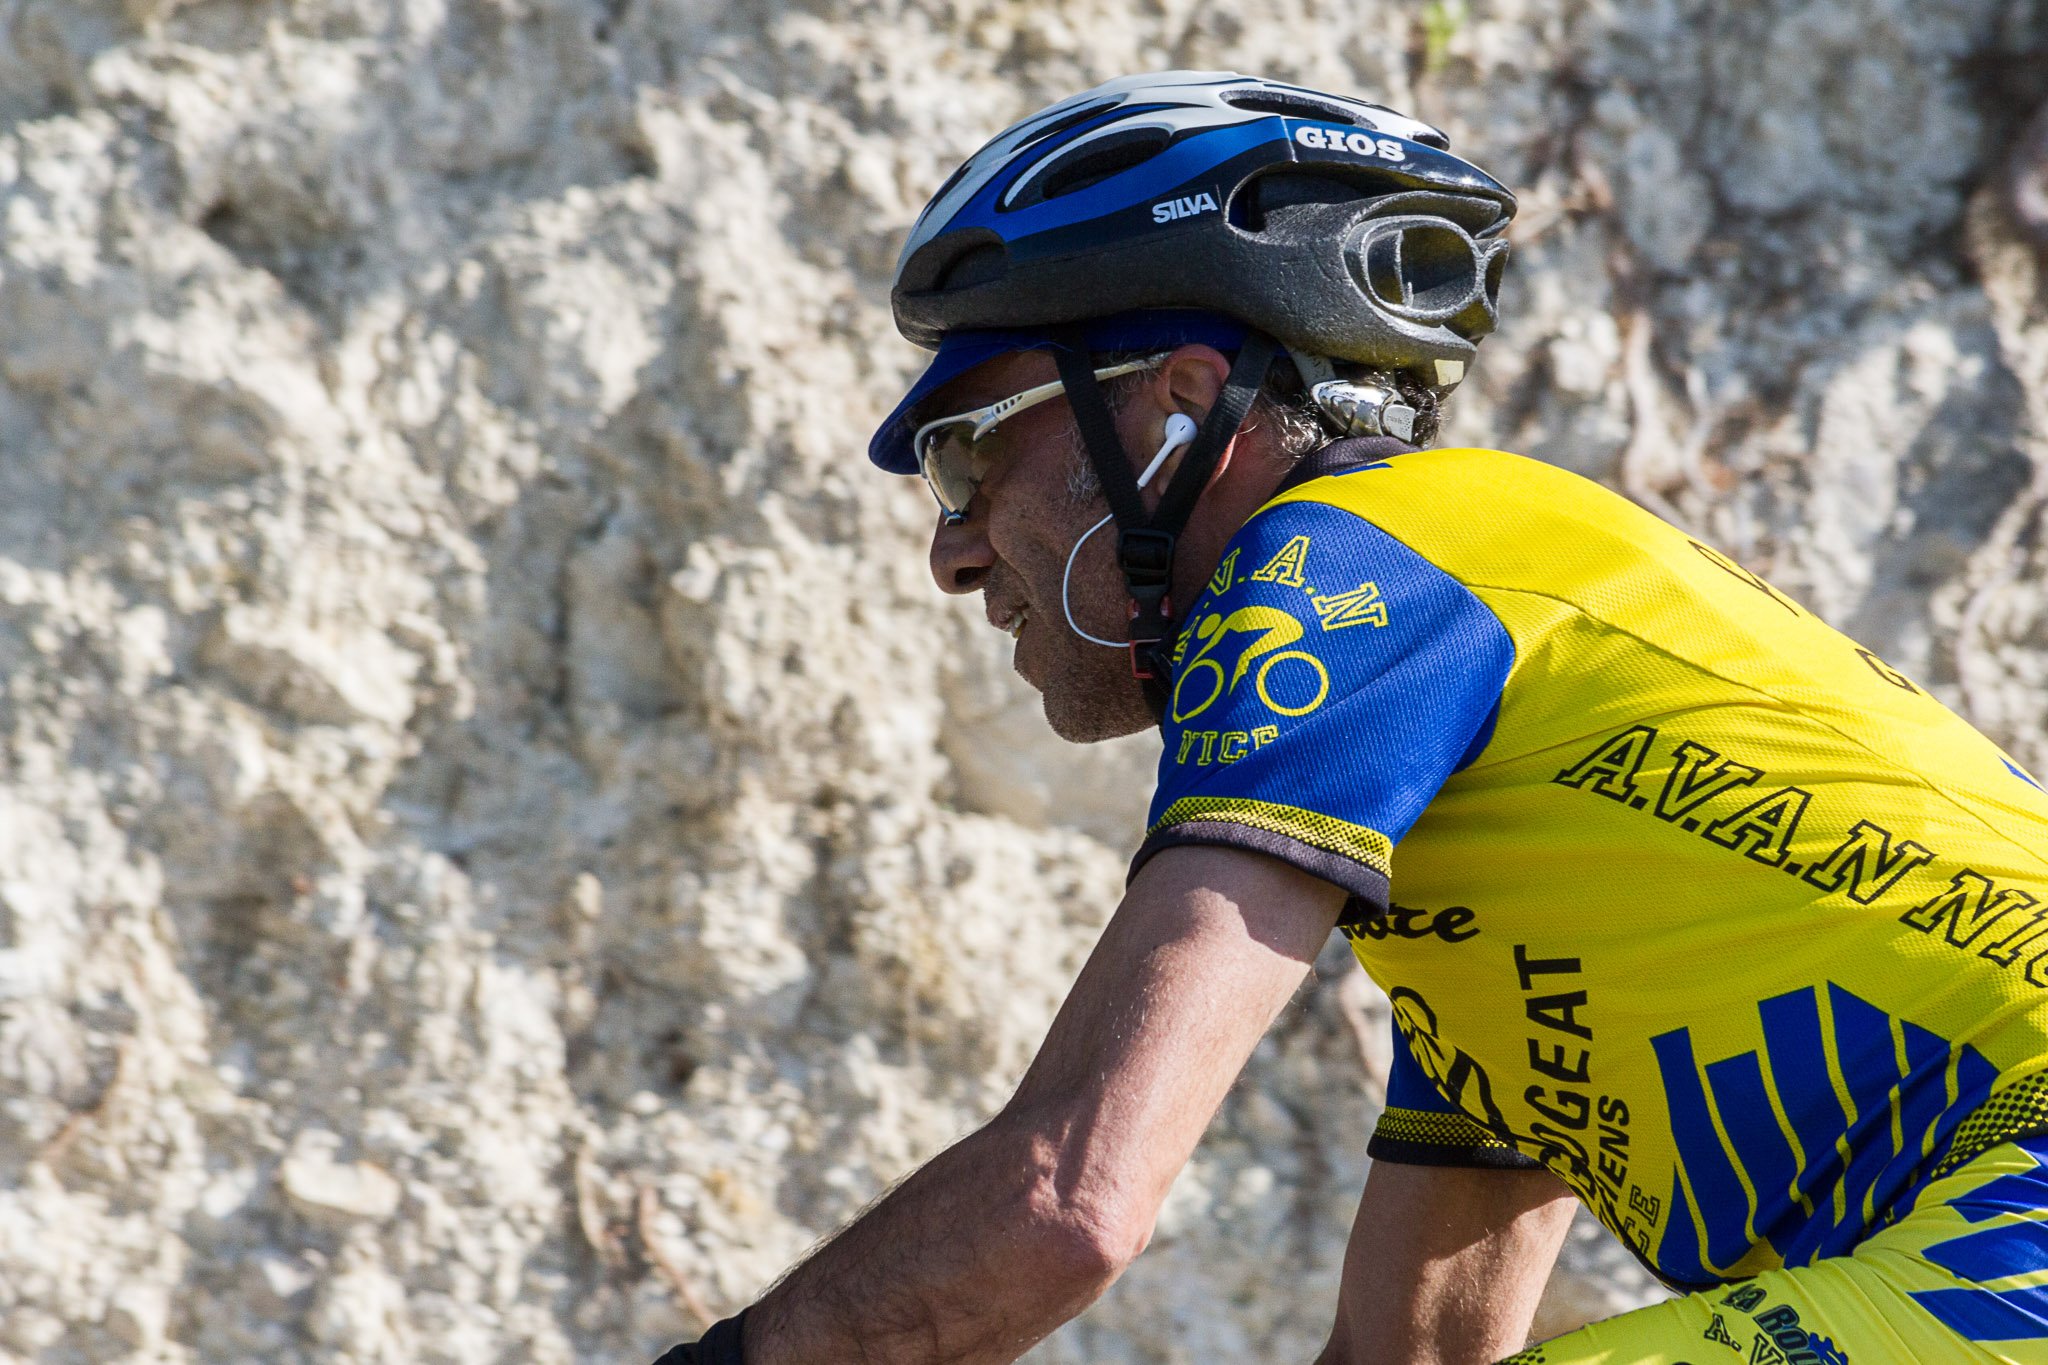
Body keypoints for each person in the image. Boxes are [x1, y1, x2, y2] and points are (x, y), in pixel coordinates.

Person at [656, 71, 2048, 1365]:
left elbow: (1067, 1200)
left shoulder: (1339, 574)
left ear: (1176, 405)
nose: (951, 550)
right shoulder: (1500, 807)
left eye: (968, 454)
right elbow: (1415, 1353)